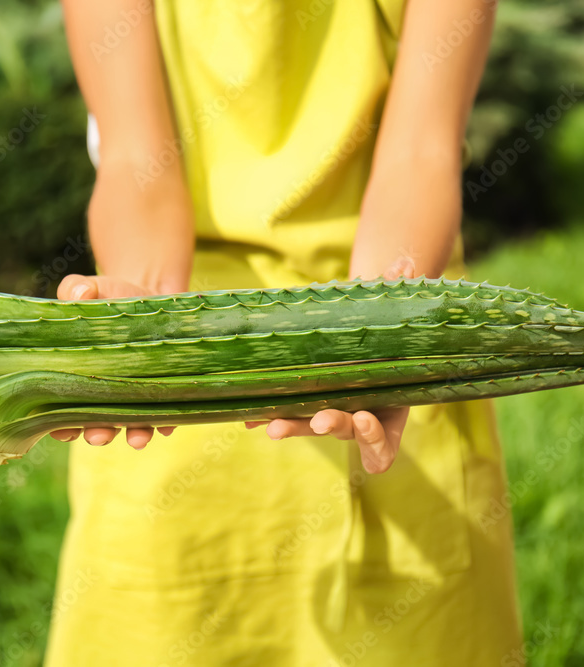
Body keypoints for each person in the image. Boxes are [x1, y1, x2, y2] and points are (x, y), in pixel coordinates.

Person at [46, 1, 521, 664]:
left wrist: (377, 342)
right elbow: (134, 158)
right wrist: (143, 311)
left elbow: (421, 149)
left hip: (392, 338)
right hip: (186, 385)